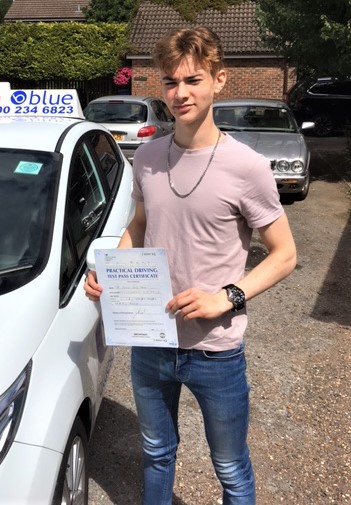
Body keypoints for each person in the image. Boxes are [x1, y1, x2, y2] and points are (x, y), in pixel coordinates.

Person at [84, 26, 297, 505]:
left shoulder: (247, 166)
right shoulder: (148, 157)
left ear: (219, 81)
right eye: (171, 82)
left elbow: (285, 255)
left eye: (193, 80)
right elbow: (140, 224)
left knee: (230, 467)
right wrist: (111, 270)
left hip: (215, 351)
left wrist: (227, 297)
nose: (180, 93)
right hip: (152, 343)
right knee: (156, 452)